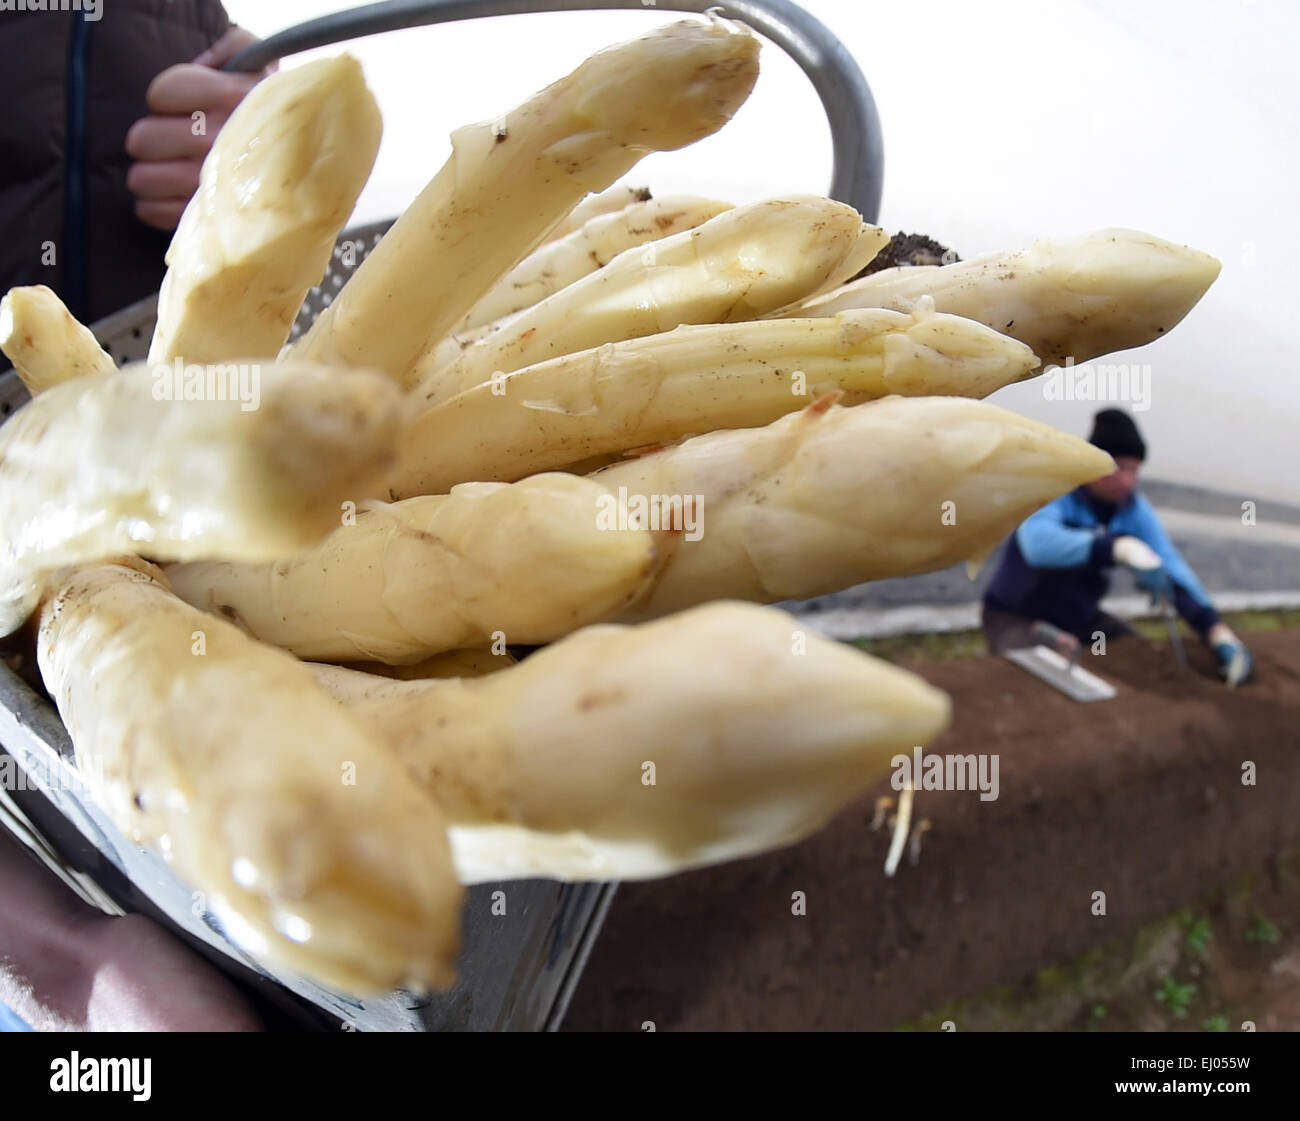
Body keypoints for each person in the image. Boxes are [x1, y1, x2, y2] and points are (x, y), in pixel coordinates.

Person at [0, 1, 272, 1030]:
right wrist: (62, 962)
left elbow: (236, 304)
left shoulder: (182, 19)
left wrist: (247, 164)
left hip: (149, 558)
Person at [981, 407, 1254, 686]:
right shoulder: (1056, 489)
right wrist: (1119, 548)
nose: (1127, 480)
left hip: (1082, 620)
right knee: (1037, 672)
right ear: (1093, 462)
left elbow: (1168, 564)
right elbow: (1037, 545)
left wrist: (1215, 629)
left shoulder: (1133, 510)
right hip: (1014, 616)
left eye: (1134, 469)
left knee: (1143, 657)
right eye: (1116, 467)